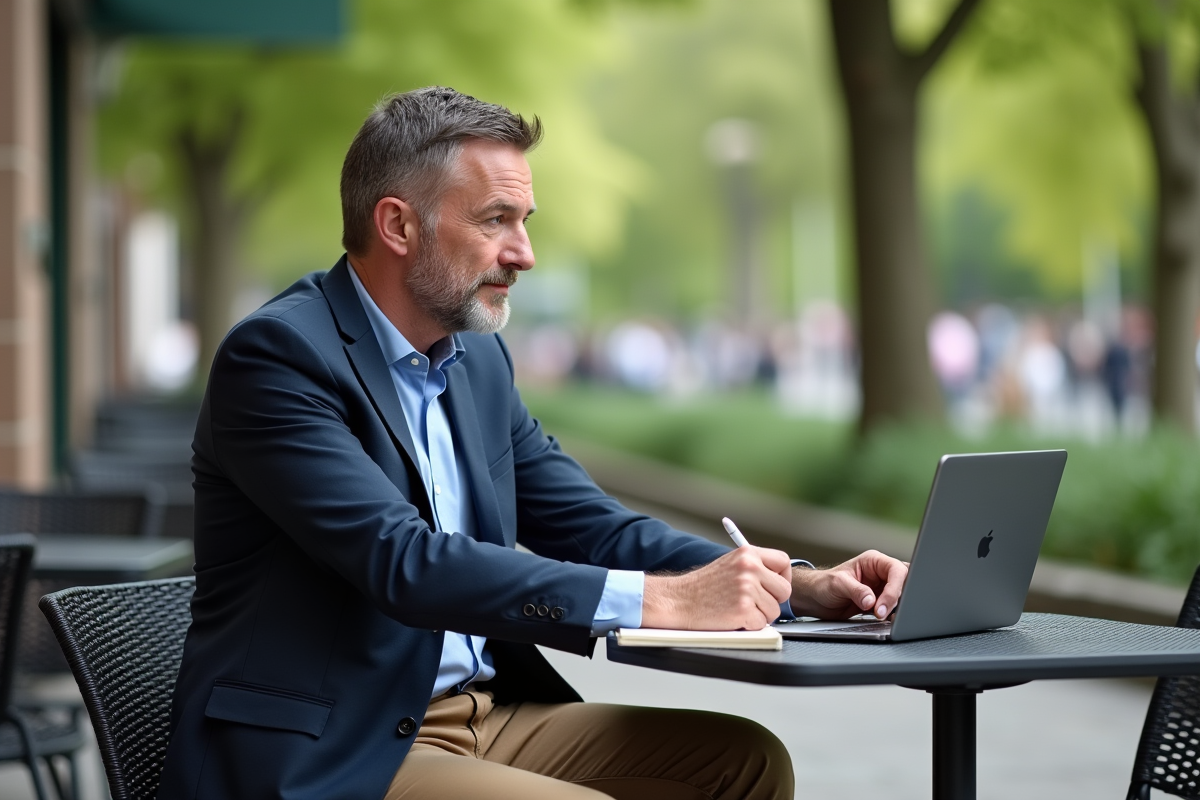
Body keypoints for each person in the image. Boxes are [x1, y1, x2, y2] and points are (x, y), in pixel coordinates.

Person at [156, 87, 909, 800]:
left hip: (485, 715)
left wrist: (795, 585)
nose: (524, 253)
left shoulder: (476, 360)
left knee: (743, 764)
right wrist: (661, 602)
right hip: (333, 745)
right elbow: (401, 562)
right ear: (398, 225)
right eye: (495, 221)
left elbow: (593, 526)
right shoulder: (278, 359)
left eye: (526, 220)